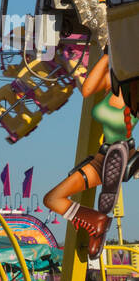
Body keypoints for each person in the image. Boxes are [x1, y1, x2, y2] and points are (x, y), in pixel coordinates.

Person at [43, 56, 136, 258]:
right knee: (52, 199)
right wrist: (106, 53)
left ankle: (128, 164)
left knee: (118, 155)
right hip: (102, 157)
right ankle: (96, 222)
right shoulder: (110, 82)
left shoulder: (135, 88)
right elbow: (86, 90)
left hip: (123, 151)